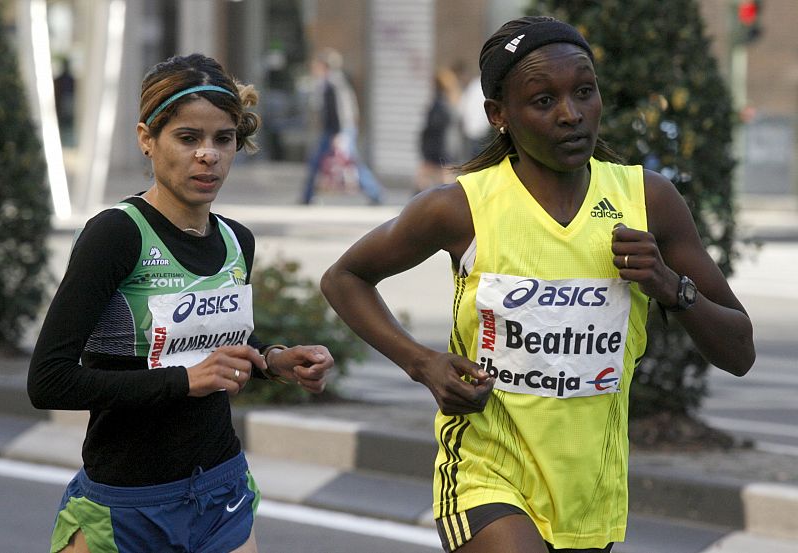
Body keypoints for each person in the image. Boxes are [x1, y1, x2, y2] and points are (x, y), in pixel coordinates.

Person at [321, 16, 755, 553]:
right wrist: (422, 362)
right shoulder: (460, 208)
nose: (571, 114)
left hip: (588, 493)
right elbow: (345, 277)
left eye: (584, 92)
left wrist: (670, 286)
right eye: (543, 101)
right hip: (485, 475)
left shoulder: (649, 201)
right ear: (499, 115)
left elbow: (739, 350)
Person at [27, 53, 334, 553]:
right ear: (147, 139)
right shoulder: (118, 235)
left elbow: (224, 345)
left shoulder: (238, 240)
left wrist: (275, 361)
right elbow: (48, 380)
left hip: (221, 492)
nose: (208, 155)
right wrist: (182, 382)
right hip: (125, 503)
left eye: (223, 139)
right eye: (188, 138)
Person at [300, 47, 382, 205]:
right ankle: (307, 196)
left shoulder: (334, 83)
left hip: (337, 130)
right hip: (336, 130)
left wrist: (340, 134)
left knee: (349, 162)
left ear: (324, 65)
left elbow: (341, 110)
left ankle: (376, 194)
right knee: (346, 162)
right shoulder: (328, 82)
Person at [414, 67, 463, 193]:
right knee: (445, 177)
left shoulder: (439, 103)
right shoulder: (453, 100)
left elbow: (433, 125)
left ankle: (418, 200)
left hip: (437, 146)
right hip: (449, 145)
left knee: (429, 175)